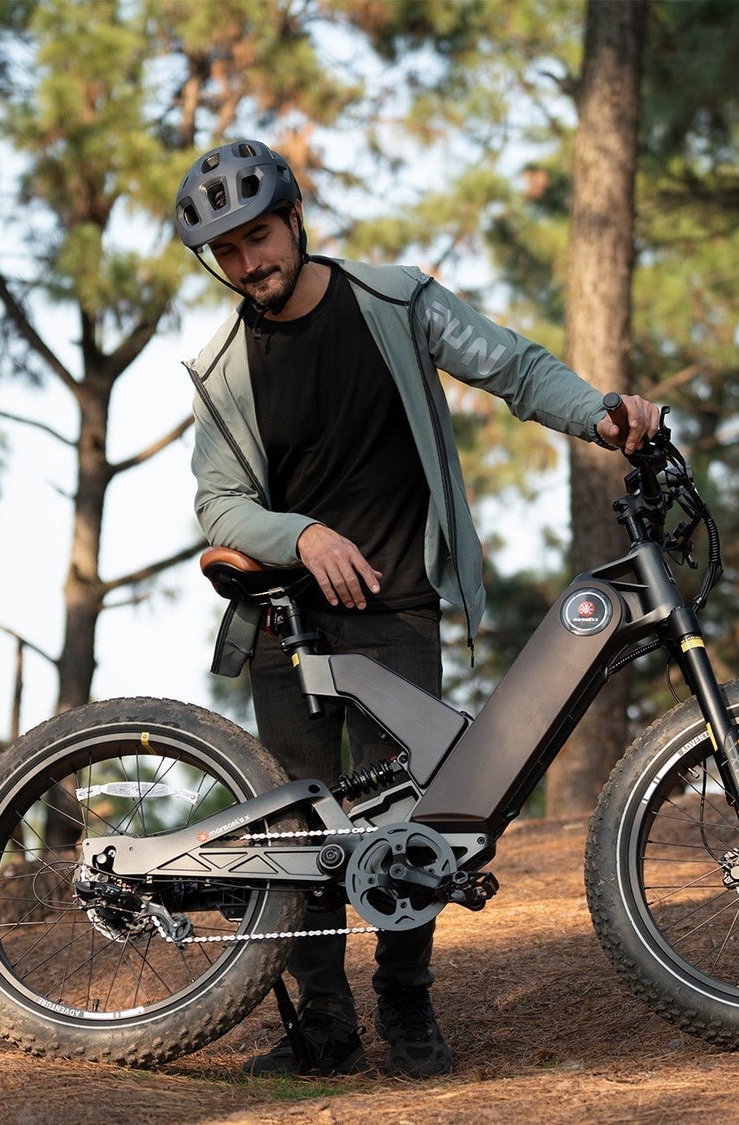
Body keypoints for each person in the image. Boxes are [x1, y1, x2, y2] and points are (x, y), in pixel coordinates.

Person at [176, 139, 658, 1079]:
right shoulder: (224, 368)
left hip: (397, 604)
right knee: (298, 835)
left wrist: (599, 414)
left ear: (295, 217)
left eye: (259, 237)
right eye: (227, 253)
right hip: (289, 620)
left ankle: (405, 1005)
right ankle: (322, 1020)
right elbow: (220, 504)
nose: (248, 264)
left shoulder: (395, 301)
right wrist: (303, 535)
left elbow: (512, 368)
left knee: (425, 817)